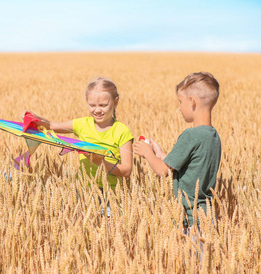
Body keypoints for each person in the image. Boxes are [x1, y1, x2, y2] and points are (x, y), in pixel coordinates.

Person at [134, 72, 221, 229]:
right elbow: (190, 166)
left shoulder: (190, 135)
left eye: (180, 102)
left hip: (191, 217)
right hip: (207, 215)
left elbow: (163, 171)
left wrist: (147, 153)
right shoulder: (213, 135)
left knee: (193, 254)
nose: (179, 108)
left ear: (192, 101)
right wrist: (160, 155)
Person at [25, 77, 133, 192]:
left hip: (111, 192)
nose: (97, 110)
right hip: (82, 190)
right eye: (92, 105)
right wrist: (33, 117)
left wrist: (101, 162)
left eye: (103, 105)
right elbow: (50, 125)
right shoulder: (82, 124)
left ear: (115, 102)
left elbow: (127, 171)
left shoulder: (122, 131)